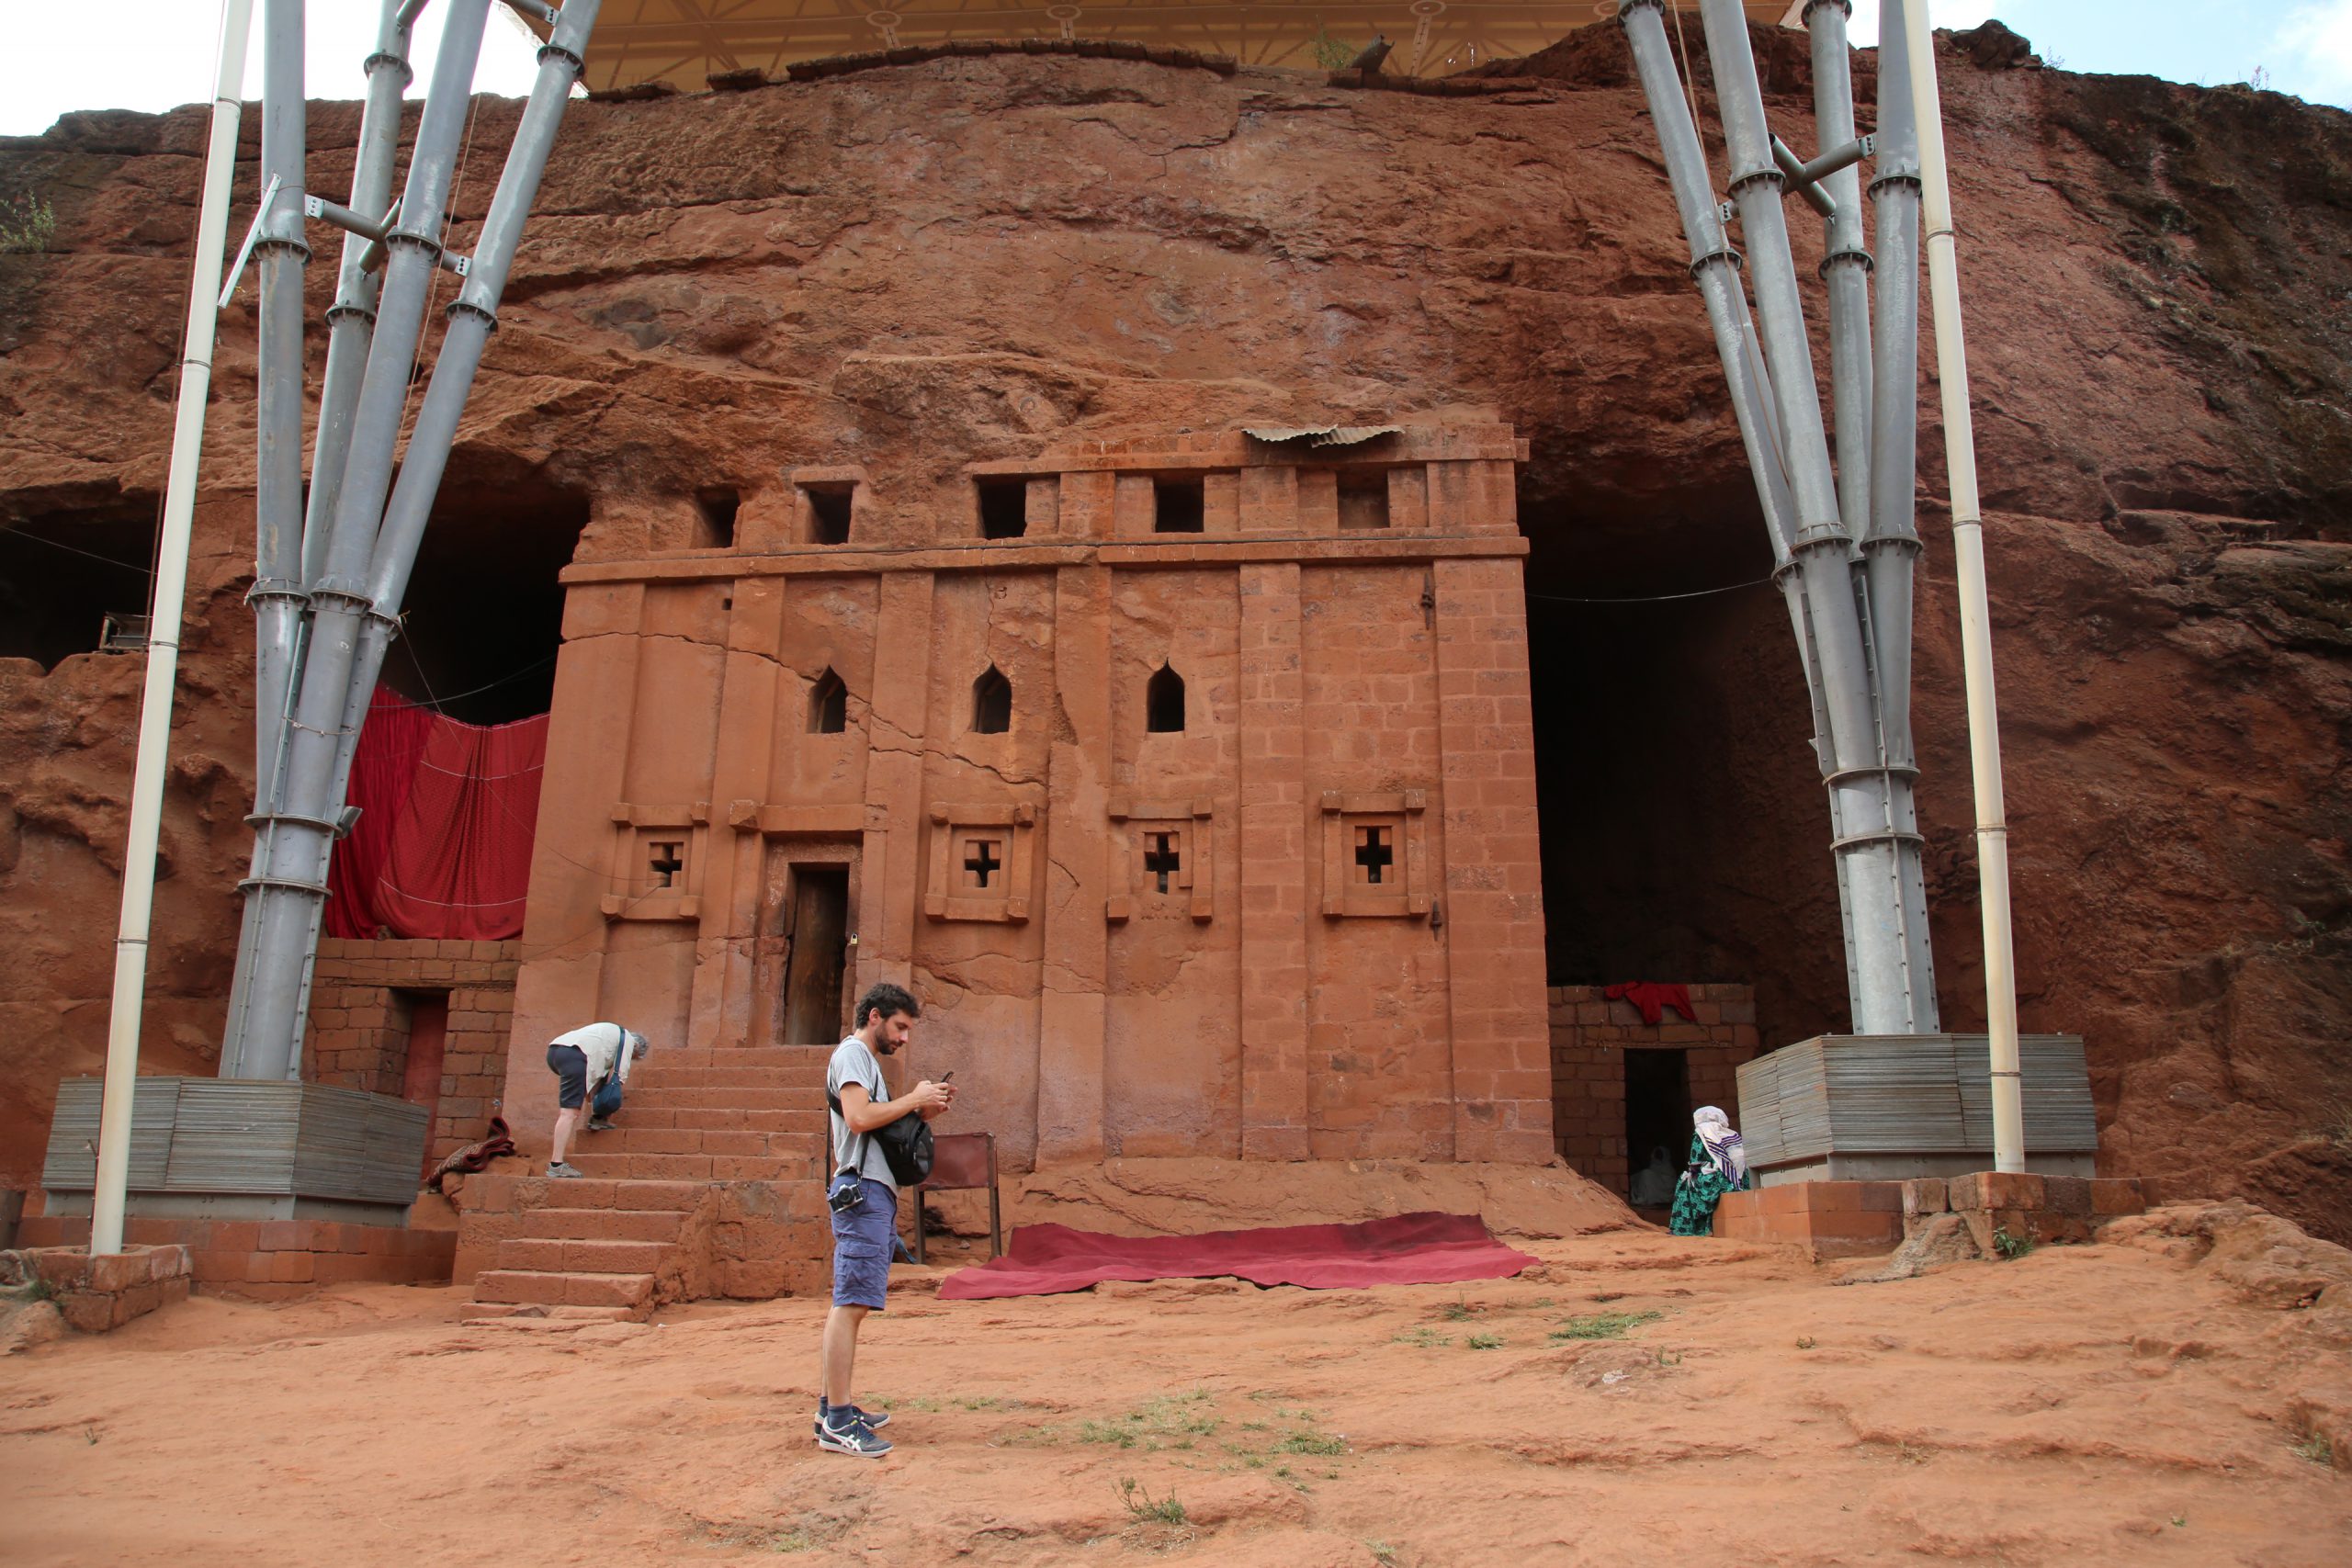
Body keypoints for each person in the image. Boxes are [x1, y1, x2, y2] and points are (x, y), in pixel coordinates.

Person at [816, 982, 954, 1458]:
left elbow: (878, 1125)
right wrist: (914, 1100)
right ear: (874, 1017)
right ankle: (837, 1420)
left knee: (852, 1301)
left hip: (871, 1189)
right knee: (850, 1303)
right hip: (861, 1192)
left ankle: (832, 1408)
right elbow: (857, 1118)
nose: (904, 1038)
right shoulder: (853, 1054)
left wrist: (922, 1112)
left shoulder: (866, 1063)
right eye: (900, 1027)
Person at [543, 1021, 646, 1179]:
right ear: (637, 1047)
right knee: (569, 1114)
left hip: (556, 1051)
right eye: (633, 1057)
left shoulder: (609, 1037)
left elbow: (595, 1080)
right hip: (575, 1055)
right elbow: (618, 1076)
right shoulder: (628, 1041)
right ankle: (556, 1165)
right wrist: (610, 1101)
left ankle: (597, 1119)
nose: (631, 1058)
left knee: (590, 1091)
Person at [1668, 1104, 1751, 1236]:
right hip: (1739, 1180)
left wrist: (1692, 1173)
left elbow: (1695, 1160)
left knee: (1685, 1184)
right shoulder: (1733, 1134)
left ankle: (1689, 1230)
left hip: (1720, 1181)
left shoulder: (1702, 1133)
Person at [1628, 1144, 1677, 1208]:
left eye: (1660, 1154)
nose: (1658, 1156)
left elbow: (1670, 1185)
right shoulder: (1653, 1165)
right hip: (1654, 1191)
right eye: (1657, 1154)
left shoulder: (1668, 1168)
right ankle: (1644, 1197)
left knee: (1646, 1173)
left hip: (1664, 1194)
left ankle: (1645, 1198)